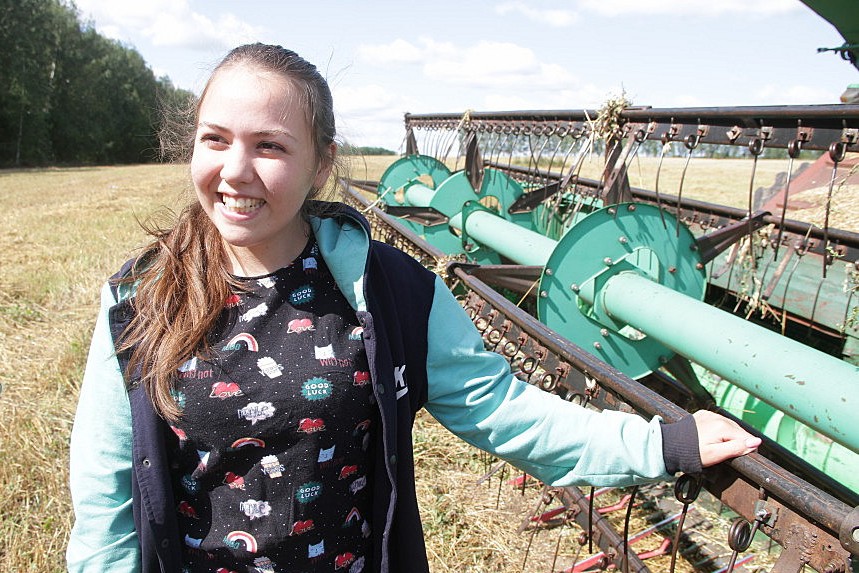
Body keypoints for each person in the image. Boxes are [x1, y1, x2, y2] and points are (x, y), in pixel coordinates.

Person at [66, 43, 761, 573]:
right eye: (215, 139)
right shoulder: (140, 300)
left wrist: (662, 443)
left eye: (270, 146)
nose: (235, 170)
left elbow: (506, 412)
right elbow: (106, 504)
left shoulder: (390, 292)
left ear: (321, 162)